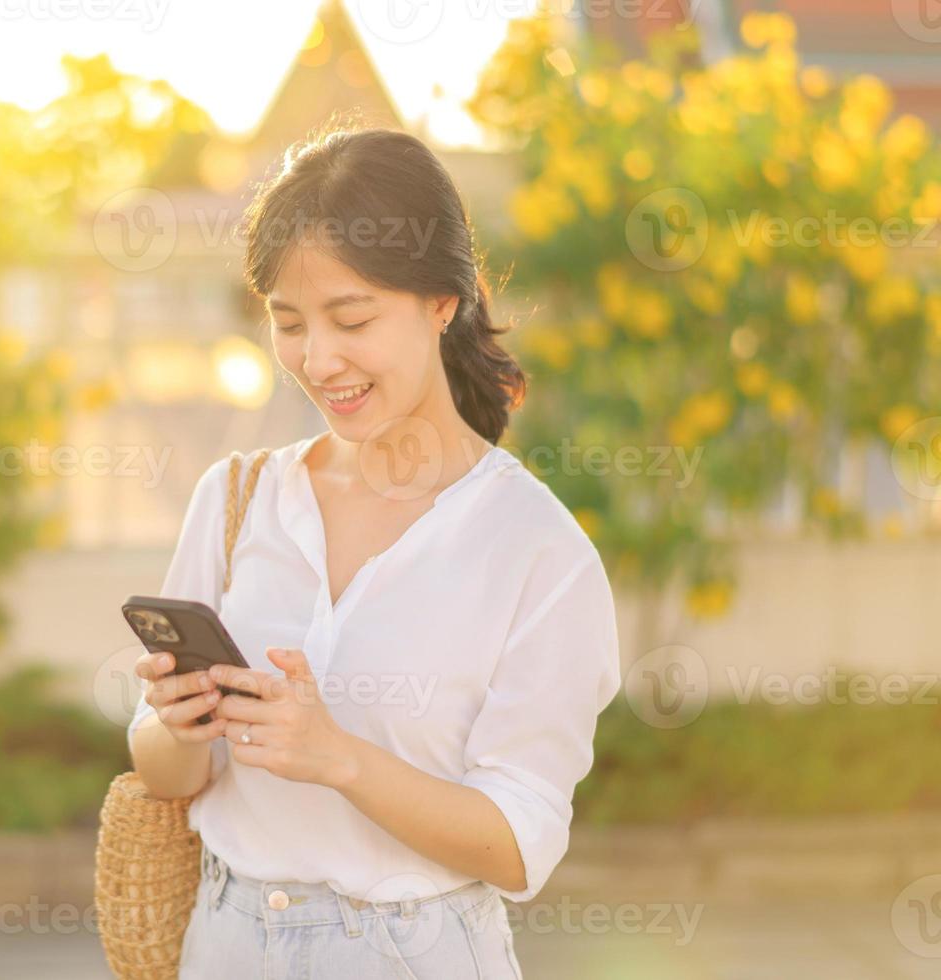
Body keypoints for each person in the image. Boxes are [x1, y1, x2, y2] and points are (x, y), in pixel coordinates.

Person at [128, 126, 622, 979]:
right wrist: (178, 725)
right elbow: (170, 776)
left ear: (443, 302)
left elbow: (518, 844)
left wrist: (340, 759)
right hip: (227, 942)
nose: (319, 361)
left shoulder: (538, 551)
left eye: (351, 318)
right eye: (289, 324)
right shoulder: (237, 500)